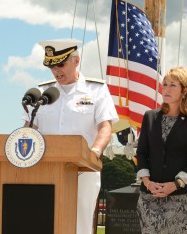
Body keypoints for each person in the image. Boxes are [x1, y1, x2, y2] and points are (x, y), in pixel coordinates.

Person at [22, 38, 118, 234]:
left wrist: (95, 152)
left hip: (83, 171)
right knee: (43, 222)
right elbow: (28, 128)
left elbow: (105, 127)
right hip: (44, 169)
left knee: (79, 225)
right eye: (52, 66)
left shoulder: (96, 90)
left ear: (76, 60)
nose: (56, 71)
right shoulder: (42, 92)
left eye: (61, 64)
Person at [136, 67, 187, 234]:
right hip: (150, 198)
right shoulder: (150, 116)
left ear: (184, 90)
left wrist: (175, 185)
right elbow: (142, 152)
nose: (166, 89)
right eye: (164, 84)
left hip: (182, 199)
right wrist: (148, 183)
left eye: (172, 85)